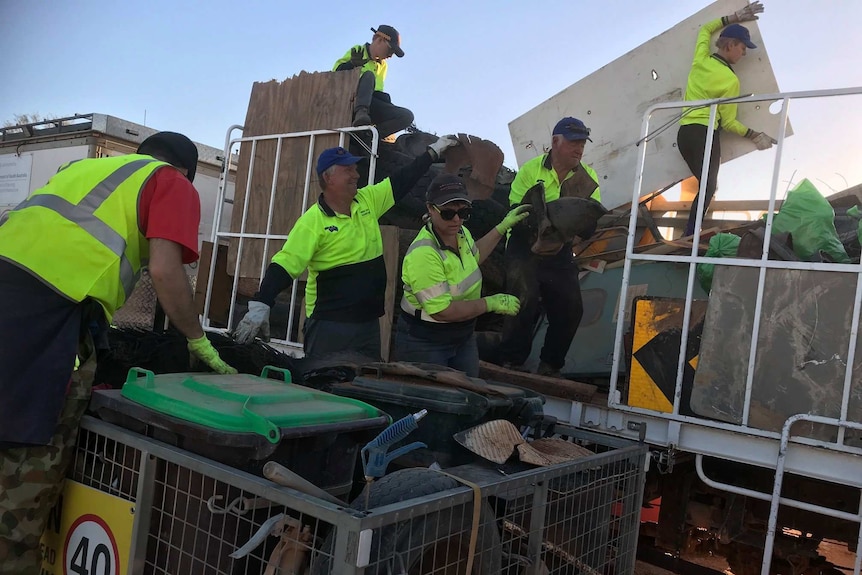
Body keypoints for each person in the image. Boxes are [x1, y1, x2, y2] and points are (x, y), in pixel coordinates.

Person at [0, 131, 236, 573]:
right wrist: (197, 340)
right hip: (43, 322)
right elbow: (166, 272)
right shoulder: (171, 182)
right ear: (184, 170)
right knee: (19, 497)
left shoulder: (81, 170)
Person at [233, 136, 460, 359]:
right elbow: (285, 264)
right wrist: (262, 303)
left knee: (363, 385)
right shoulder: (313, 221)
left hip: (369, 324)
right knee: (325, 386)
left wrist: (433, 152)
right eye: (348, 170)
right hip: (330, 327)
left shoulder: (367, 200)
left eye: (355, 169)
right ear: (328, 177)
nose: (356, 174)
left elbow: (402, 180)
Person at [497, 117, 601, 378]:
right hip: (524, 243)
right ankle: (512, 361)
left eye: (582, 144)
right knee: (523, 298)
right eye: (574, 142)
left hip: (561, 247)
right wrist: (538, 232)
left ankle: (551, 365)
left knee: (571, 307)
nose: (579, 149)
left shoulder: (589, 178)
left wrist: (568, 236)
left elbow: (590, 220)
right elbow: (516, 212)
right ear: (556, 141)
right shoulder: (530, 170)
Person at [396, 174, 529, 376]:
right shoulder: (424, 254)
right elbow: (441, 311)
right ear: (431, 209)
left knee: (468, 393)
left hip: (462, 335)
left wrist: (501, 228)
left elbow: (473, 258)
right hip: (427, 341)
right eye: (448, 213)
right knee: (433, 401)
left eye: (464, 212)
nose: (457, 219)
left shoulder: (461, 233)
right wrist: (489, 303)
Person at [678, 0, 775, 237]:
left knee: (708, 186)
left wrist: (734, 17)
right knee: (709, 186)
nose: (743, 53)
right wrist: (755, 135)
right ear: (730, 44)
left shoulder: (701, 59)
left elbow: (704, 29)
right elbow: (729, 122)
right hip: (705, 134)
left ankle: (691, 232)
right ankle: (690, 235)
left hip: (684, 135)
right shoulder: (731, 81)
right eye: (743, 48)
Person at [333, 25, 414, 139]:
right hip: (352, 101)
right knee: (369, 76)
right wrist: (352, 64)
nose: (391, 55)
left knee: (407, 116)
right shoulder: (358, 51)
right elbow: (335, 74)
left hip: (372, 103)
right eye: (390, 49)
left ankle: (369, 137)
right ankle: (361, 114)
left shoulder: (383, 66)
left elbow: (378, 90)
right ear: (379, 40)